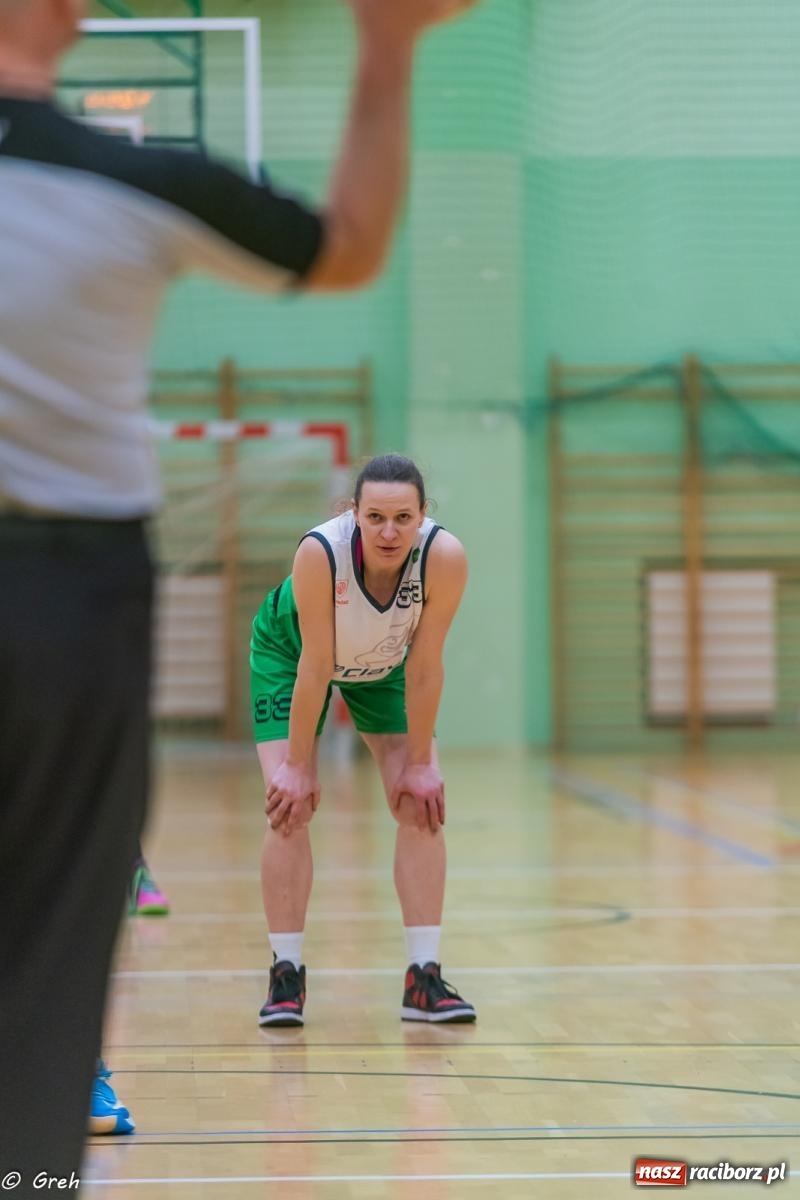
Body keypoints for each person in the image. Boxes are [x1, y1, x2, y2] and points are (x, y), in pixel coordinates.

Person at [0, 0, 478, 1184]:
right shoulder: (129, 179)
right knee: (59, 919)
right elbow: (352, 240)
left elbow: (420, 666)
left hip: (86, 593)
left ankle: (410, 963)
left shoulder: (436, 558)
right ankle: (35, 1158)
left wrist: (403, 752)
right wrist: (385, 45)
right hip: (68, 593)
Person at [250, 454, 476, 1027]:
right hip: (293, 655)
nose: (389, 531)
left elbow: (426, 667)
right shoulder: (319, 554)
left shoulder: (443, 558)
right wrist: (300, 766)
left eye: (403, 517)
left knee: (419, 803)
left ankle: (424, 978)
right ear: (353, 513)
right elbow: (316, 665)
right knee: (288, 807)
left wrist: (421, 763)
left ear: (424, 515)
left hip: (386, 662)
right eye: (374, 516)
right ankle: (286, 973)